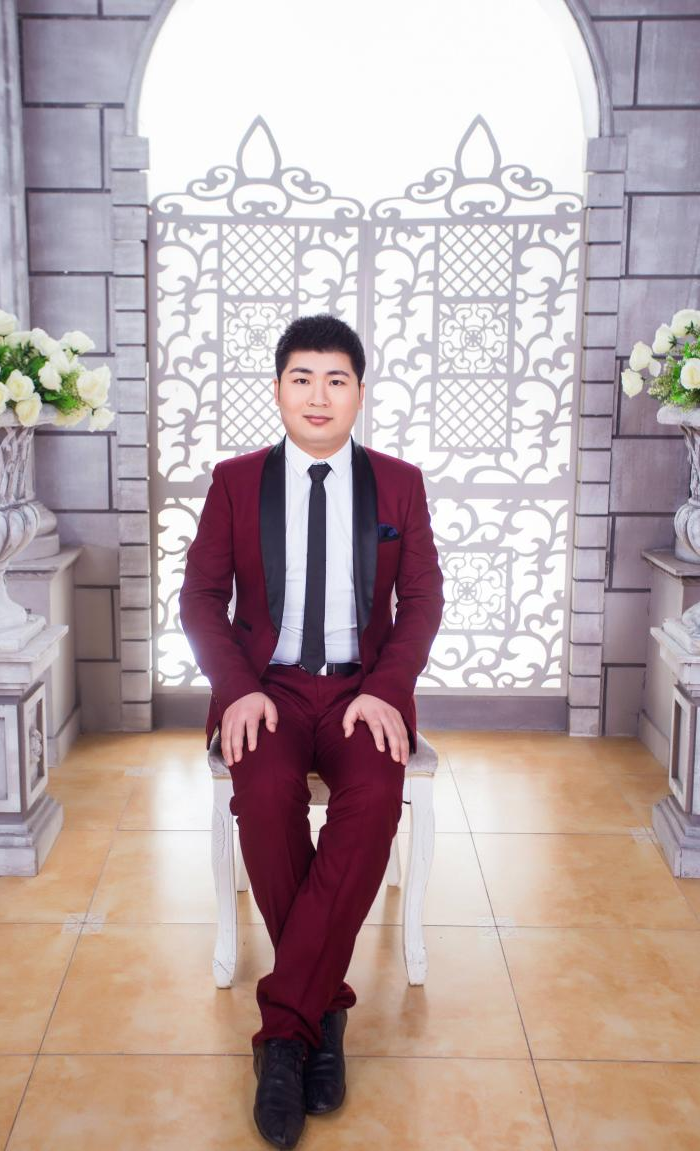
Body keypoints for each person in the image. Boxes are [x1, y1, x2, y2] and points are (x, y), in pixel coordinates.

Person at [179, 313, 444, 1149]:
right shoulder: (234, 481)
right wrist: (234, 689)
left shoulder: (398, 483)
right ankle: (321, 1011)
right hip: (268, 689)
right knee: (262, 793)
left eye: (336, 379)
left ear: (359, 392)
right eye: (302, 378)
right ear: (277, 390)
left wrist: (389, 688)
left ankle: (284, 1033)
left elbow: (422, 600)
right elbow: (199, 599)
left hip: (363, 690)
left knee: (374, 798)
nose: (318, 395)